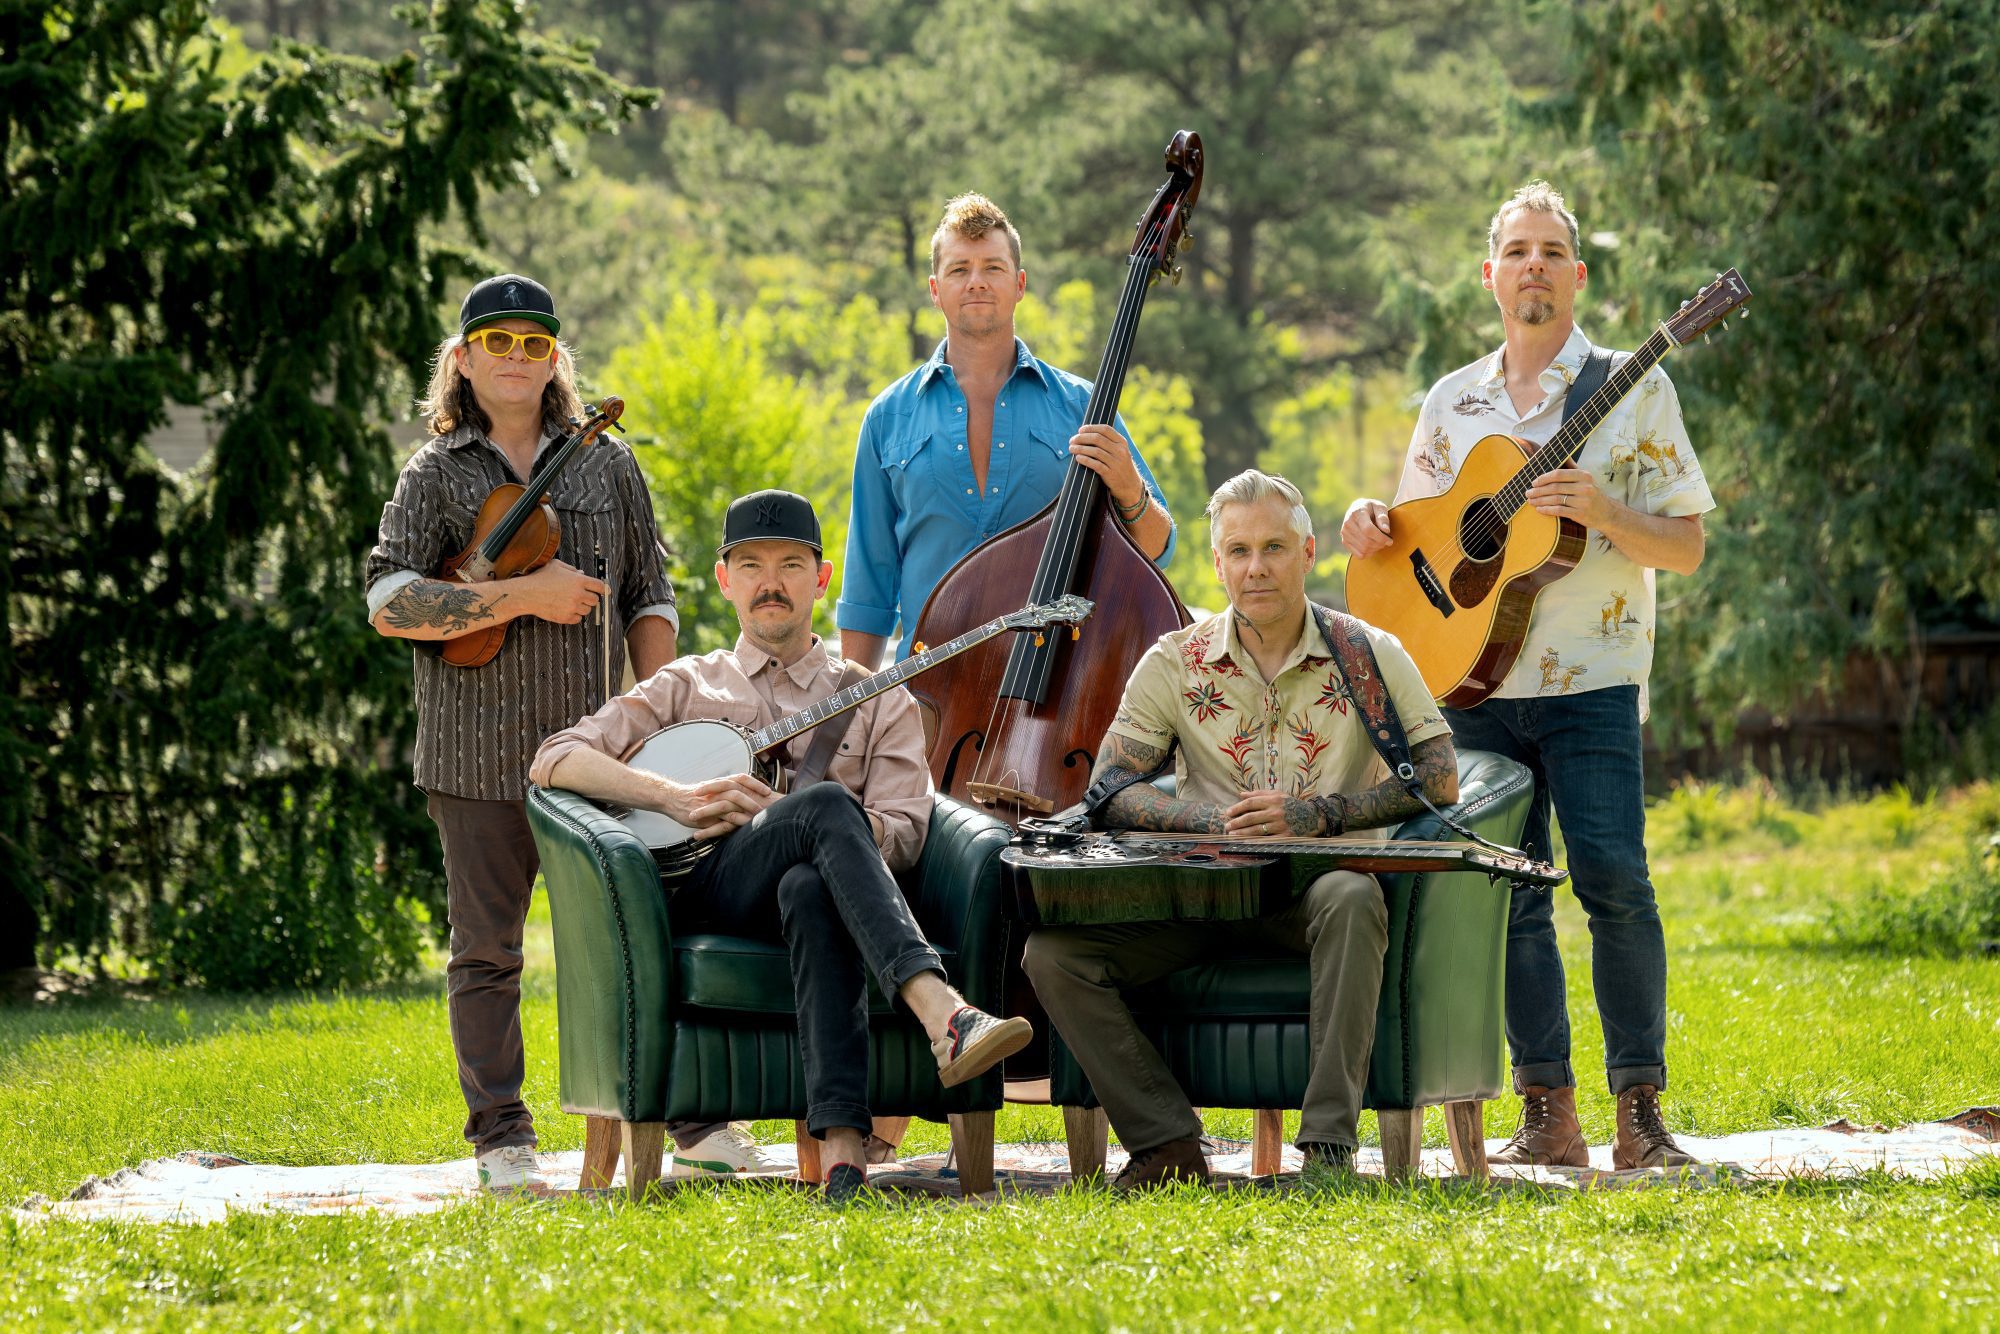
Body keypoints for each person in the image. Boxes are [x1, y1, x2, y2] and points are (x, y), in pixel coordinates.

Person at [1341, 181, 1714, 1170]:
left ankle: (1639, 1112)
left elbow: (1683, 547)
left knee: (1614, 882)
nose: (1533, 266)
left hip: (1591, 679)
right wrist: (1367, 523)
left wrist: (1601, 513)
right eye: (1516, 250)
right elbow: (1417, 544)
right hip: (1470, 687)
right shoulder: (1450, 400)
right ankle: (1544, 1105)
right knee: (1508, 894)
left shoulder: (1634, 388)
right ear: (1489, 273)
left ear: (1576, 273)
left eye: (1551, 250)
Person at [530, 489, 1033, 1203]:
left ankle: (843, 1159)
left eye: (792, 564)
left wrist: (807, 827)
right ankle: (941, 1013)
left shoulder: (875, 695)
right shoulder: (685, 684)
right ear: (724, 579)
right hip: (713, 889)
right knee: (824, 806)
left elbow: (910, 833)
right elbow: (554, 758)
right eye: (753, 564)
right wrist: (672, 798)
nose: (772, 582)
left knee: (810, 878)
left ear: (821, 580)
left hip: (828, 897)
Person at [1023, 470, 1459, 1189]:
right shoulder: (1173, 661)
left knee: (1353, 899)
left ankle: (1326, 1155)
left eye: (1275, 547)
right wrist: (1209, 824)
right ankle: (1166, 1144)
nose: (1256, 568)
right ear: (1217, 562)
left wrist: (1315, 817)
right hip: (1198, 895)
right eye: (1238, 551)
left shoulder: (1370, 651)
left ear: (1311, 550)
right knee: (1053, 955)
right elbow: (1109, 789)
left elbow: (1439, 778)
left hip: (1315, 892)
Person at [365, 274, 679, 1191]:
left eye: (533, 344)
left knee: (635, 939)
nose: (515, 357)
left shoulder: (607, 465)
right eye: (495, 342)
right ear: (462, 361)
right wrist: (520, 596)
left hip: (593, 753)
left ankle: (676, 1120)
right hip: (472, 755)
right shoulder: (434, 472)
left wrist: (655, 717)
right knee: (487, 955)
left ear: (555, 362)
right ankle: (503, 1138)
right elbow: (389, 603)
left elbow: (648, 595)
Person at [835, 192, 1178, 670]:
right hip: (926, 697)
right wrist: (855, 722)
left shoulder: (1084, 406)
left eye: (992, 268)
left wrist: (1129, 487)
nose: (976, 282)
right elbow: (868, 592)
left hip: (1056, 691)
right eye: (959, 270)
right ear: (935, 290)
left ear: (1018, 284)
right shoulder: (887, 417)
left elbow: (1159, 550)